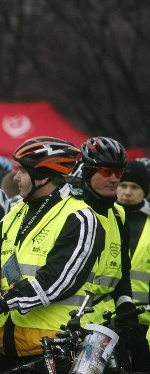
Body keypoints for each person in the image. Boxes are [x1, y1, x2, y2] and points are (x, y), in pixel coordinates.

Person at [0, 137, 100, 374]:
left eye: (23, 171)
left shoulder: (80, 217)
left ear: (44, 177)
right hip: (8, 345)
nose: (16, 177)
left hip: (52, 348)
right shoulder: (16, 213)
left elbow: (58, 280)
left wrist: (4, 302)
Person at [73, 137, 136, 326]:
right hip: (64, 323)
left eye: (119, 172)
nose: (115, 179)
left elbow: (122, 274)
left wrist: (127, 309)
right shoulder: (70, 212)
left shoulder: (119, 214)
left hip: (104, 326)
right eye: (107, 171)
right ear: (87, 173)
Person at [116, 161, 150, 374]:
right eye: (122, 185)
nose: (127, 192)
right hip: (112, 320)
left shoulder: (147, 224)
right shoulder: (107, 217)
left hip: (144, 326)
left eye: (134, 187)